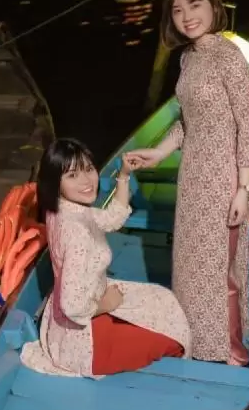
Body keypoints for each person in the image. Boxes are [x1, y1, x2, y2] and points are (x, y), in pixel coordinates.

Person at [126, 0, 249, 366]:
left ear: (214, 5)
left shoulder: (229, 55)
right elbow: (188, 120)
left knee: (220, 268)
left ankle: (233, 352)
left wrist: (243, 188)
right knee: (191, 264)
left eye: (194, 5)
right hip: (194, 175)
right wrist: (159, 152)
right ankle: (198, 341)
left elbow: (246, 123)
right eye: (178, 9)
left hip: (223, 176)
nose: (186, 16)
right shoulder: (188, 58)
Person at [19, 138, 190, 378]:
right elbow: (73, 306)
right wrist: (106, 305)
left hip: (63, 330)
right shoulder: (78, 232)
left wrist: (123, 175)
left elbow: (111, 219)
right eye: (72, 176)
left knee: (163, 300)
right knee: (175, 339)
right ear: (55, 183)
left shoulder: (62, 209)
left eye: (89, 169)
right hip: (87, 344)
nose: (86, 181)